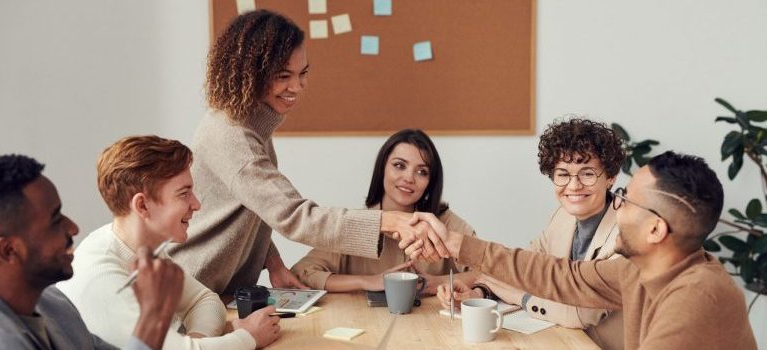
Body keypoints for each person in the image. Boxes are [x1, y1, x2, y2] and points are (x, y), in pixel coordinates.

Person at [169, 9, 445, 295]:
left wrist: (273, 263)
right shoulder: (233, 136)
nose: (297, 87)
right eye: (283, 75)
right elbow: (295, 216)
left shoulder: (250, 125)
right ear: (251, 73)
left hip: (217, 292)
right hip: (190, 290)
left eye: (303, 74)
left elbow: (256, 207)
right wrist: (387, 221)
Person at [417, 151, 758, 349]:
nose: (616, 207)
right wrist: (457, 244)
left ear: (655, 229)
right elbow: (560, 276)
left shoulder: (698, 296)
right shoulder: (638, 270)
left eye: (624, 199)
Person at [57, 136, 280, 349]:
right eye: (184, 194)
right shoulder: (102, 277)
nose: (196, 204)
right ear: (142, 206)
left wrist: (195, 341)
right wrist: (246, 338)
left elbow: (205, 301)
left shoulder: (144, 248)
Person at [435, 118, 625, 349]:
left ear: (611, 177)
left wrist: (520, 297)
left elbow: (581, 313)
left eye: (587, 174)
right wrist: (480, 292)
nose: (574, 186)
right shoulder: (562, 217)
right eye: (563, 174)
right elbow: (525, 271)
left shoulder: (626, 231)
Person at [0, 154, 183, 350]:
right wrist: (154, 316)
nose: (73, 228)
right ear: (9, 251)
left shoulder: (55, 305)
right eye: (55, 220)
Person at [291, 129, 477, 293]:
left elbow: (490, 274)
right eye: (399, 165)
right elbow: (302, 273)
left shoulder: (445, 223)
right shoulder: (357, 225)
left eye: (422, 172)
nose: (409, 178)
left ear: (431, 182)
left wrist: (436, 283)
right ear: (382, 169)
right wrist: (368, 281)